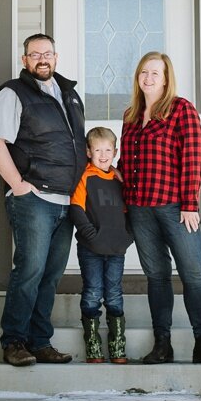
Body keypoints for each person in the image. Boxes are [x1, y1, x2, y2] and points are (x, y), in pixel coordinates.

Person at [0, 33, 86, 367]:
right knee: (29, 270)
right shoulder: (14, 92)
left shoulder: (69, 95)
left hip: (65, 201)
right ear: (25, 60)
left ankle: (40, 342)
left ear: (56, 57)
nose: (42, 59)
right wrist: (18, 184)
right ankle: (14, 342)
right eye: (34, 54)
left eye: (48, 53)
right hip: (35, 198)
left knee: (50, 275)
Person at [119, 52, 201, 366]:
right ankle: (162, 344)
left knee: (193, 275)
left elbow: (193, 160)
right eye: (143, 72)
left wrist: (190, 204)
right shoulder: (131, 116)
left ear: (166, 79)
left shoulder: (181, 110)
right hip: (140, 210)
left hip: (176, 209)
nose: (148, 78)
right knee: (157, 277)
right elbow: (127, 164)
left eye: (155, 73)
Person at [68, 127, 134, 364]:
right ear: (88, 151)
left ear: (115, 151)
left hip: (116, 249)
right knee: (93, 293)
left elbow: (128, 213)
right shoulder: (85, 177)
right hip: (91, 249)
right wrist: (92, 236)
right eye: (98, 150)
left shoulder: (119, 179)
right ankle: (93, 342)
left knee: (114, 294)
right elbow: (76, 209)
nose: (103, 155)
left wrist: (127, 237)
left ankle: (117, 343)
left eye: (108, 150)